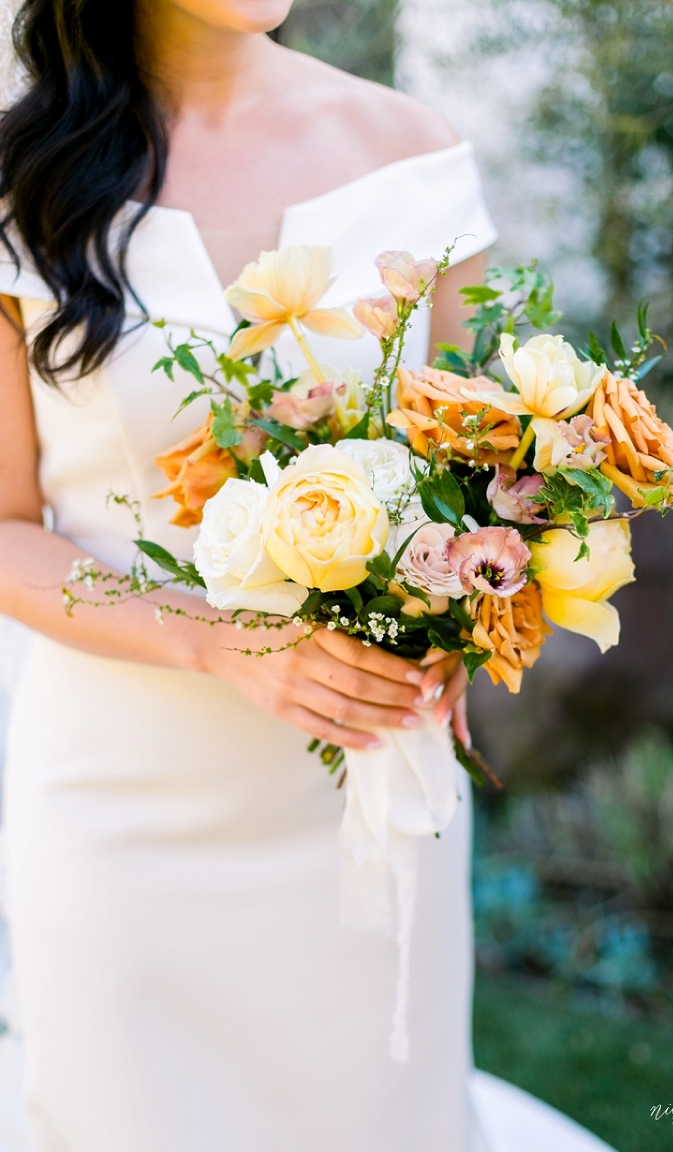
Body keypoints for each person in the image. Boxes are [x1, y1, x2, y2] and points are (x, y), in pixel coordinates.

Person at [0, 2, 500, 1149]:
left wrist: (476, 608)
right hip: (120, 808)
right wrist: (215, 637)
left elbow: (485, 473)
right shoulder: (21, 183)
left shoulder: (417, 157)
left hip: (364, 789)